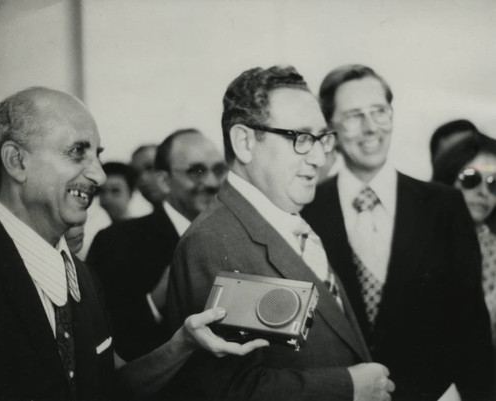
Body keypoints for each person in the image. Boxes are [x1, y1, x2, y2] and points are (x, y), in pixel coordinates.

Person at [0, 87, 267, 401]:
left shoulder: (81, 277)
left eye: (97, 154)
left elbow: (114, 385)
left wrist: (184, 342)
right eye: (76, 152)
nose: (97, 174)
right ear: (16, 161)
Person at [165, 65, 395, 401]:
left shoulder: (283, 218)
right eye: (300, 138)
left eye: (321, 138)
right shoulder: (214, 240)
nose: (319, 157)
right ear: (244, 142)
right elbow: (225, 390)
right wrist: (347, 387)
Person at [302, 64, 494, 400]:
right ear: (329, 127)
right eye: (354, 116)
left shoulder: (444, 205)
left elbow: (472, 328)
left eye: (379, 112)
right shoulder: (308, 210)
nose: (370, 127)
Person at [87, 128, 228, 361]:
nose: (212, 182)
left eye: (219, 170)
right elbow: (97, 334)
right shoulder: (116, 241)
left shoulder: (234, 235)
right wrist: (154, 302)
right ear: (164, 180)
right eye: (198, 171)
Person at [432, 133, 496, 351]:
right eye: (471, 178)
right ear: (448, 177)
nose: (483, 192)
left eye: (494, 184)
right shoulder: (418, 239)